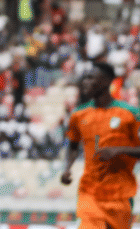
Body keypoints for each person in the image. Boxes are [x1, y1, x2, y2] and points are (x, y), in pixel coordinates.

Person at [62, 62, 140, 229]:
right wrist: (67, 168)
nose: (85, 82)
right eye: (84, 78)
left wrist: (118, 150)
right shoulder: (78, 115)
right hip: (89, 191)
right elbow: (73, 145)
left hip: (120, 194)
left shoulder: (131, 115)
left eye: (90, 78)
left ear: (107, 81)